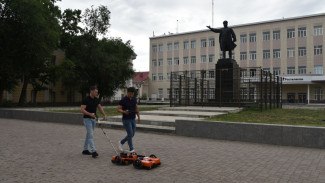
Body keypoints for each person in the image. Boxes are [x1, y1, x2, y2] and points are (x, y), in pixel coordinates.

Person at [81, 86, 108, 158]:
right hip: (87, 119)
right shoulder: (86, 99)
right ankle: (94, 151)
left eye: (97, 92)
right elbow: (82, 110)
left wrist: (104, 115)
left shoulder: (96, 99)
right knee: (90, 134)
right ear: (91, 91)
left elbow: (100, 108)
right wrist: (90, 114)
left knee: (89, 134)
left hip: (95, 118)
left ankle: (85, 149)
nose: (97, 93)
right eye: (96, 92)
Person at [117, 87, 140, 153]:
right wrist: (124, 112)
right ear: (128, 92)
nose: (131, 95)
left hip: (133, 119)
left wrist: (138, 116)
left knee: (132, 134)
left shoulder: (134, 99)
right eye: (130, 93)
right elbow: (118, 109)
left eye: (132, 93)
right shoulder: (123, 100)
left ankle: (121, 142)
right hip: (126, 119)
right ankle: (131, 149)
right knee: (130, 133)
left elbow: (136, 107)